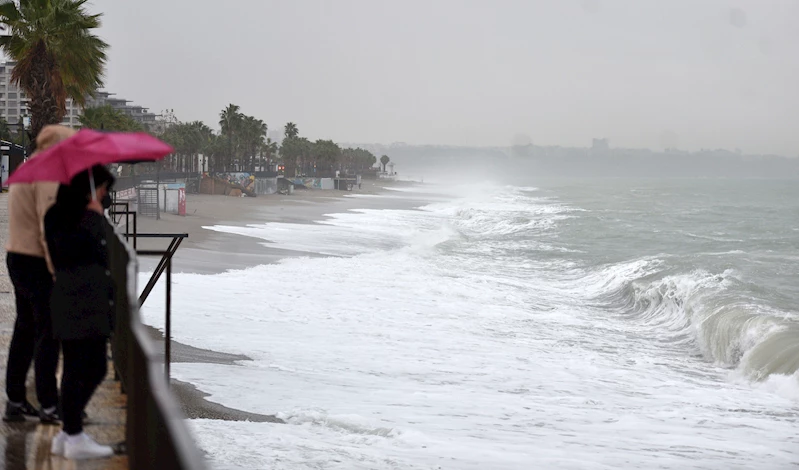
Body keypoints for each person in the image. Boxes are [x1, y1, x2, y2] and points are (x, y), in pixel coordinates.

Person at [3, 125, 76, 424]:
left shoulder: (28, 166)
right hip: (36, 260)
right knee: (49, 332)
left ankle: (16, 400)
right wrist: (57, 269)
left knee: (25, 330)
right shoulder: (47, 172)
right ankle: (48, 404)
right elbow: (49, 225)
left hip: (16, 256)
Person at [45, 165, 116, 460]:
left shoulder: (63, 215)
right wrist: (94, 219)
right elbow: (79, 253)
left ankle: (67, 432)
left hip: (79, 300)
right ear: (89, 189)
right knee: (86, 367)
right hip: (80, 302)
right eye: (103, 189)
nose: (105, 195)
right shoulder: (70, 219)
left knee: (84, 367)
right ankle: (73, 435)